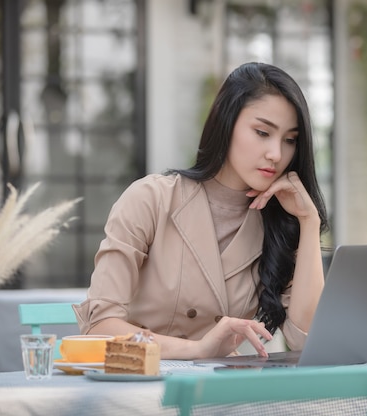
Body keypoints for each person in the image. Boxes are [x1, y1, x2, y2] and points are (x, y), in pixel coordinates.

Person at [73, 62, 329, 360]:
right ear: (226, 122)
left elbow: (307, 341)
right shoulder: (151, 199)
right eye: (262, 132)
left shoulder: (278, 224)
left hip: (218, 396)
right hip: (137, 389)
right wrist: (197, 350)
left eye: (290, 140)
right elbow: (99, 328)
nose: (276, 153)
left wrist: (309, 223)